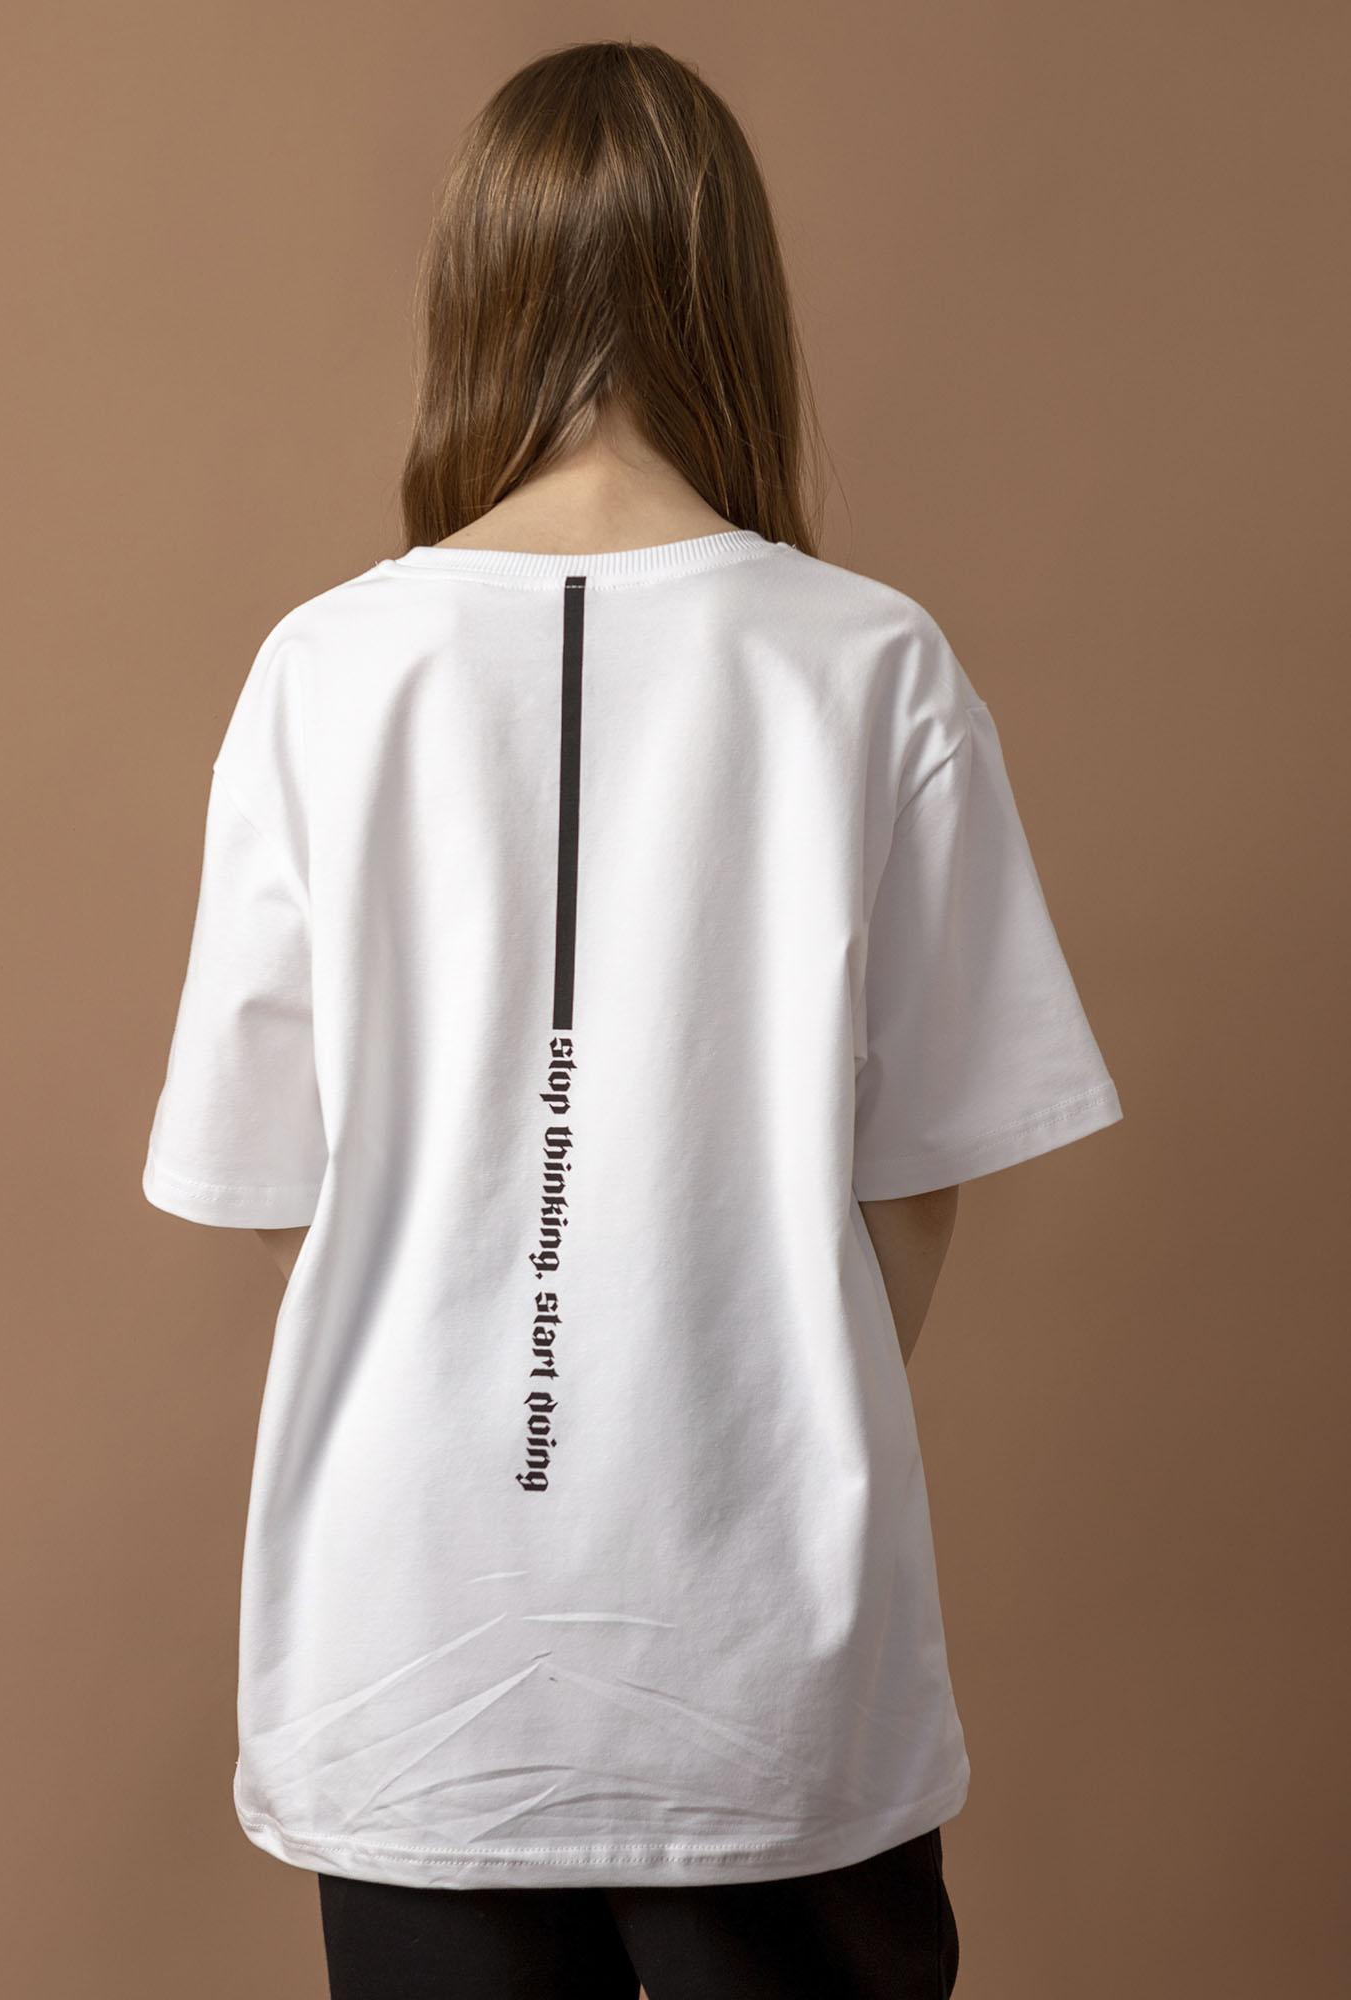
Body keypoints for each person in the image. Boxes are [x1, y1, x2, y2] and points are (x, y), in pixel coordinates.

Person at [141, 38, 1122, 2000]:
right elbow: (922, 1173)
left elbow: (273, 1191)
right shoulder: (870, 665)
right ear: (730, 288)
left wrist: (499, 1378)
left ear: (476, 295)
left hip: (412, 1647)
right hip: (764, 1637)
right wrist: (728, 1407)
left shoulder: (323, 671)